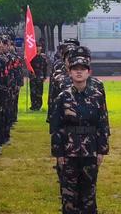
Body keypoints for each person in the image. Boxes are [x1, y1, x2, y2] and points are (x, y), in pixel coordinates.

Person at [50, 50, 109, 214]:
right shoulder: (63, 97)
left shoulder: (97, 96)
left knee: (88, 193)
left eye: (83, 68)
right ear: (69, 72)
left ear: (88, 72)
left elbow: (103, 123)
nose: (79, 71)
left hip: (90, 151)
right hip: (69, 152)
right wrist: (58, 153)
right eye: (75, 68)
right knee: (69, 194)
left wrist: (102, 150)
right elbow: (57, 126)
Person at [29, 43, 48, 111]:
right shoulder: (32, 57)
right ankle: (33, 105)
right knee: (33, 91)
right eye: (36, 46)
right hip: (33, 76)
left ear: (41, 48)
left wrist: (45, 76)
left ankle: (39, 105)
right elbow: (29, 66)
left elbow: (45, 67)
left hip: (40, 76)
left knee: (39, 92)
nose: (38, 48)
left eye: (39, 46)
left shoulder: (43, 58)